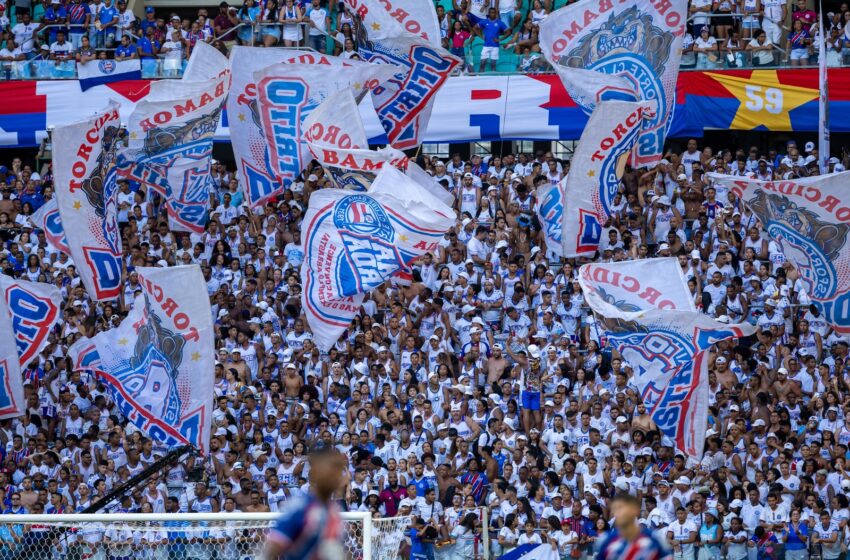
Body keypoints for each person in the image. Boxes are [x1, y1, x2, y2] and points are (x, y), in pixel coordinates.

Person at [262, 446, 347, 560]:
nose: (335, 476)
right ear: (316, 471)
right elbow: (273, 548)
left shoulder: (333, 511)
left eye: (338, 471)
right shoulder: (300, 506)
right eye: (331, 470)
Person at [598, 494, 670, 560]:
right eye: (614, 509)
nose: (616, 513)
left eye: (620, 508)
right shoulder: (605, 539)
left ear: (634, 510)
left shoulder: (655, 538)